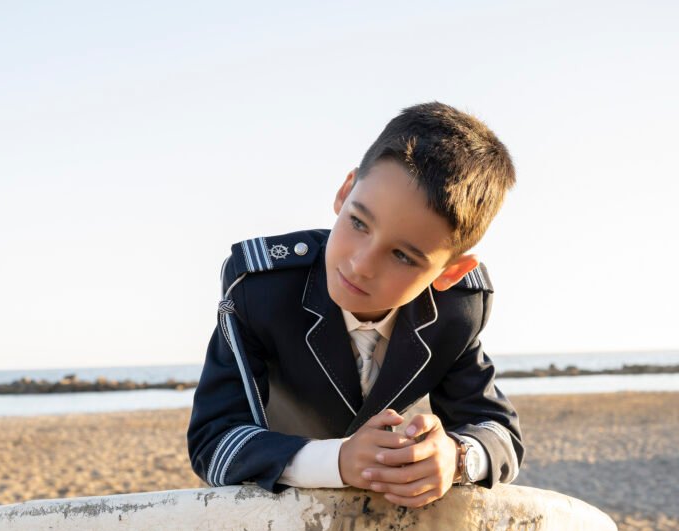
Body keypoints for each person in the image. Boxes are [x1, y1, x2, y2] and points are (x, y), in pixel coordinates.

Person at [187, 102, 523, 508]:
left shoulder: (456, 310)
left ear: (450, 273)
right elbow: (213, 444)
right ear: (345, 191)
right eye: (359, 223)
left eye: (403, 256)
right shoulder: (261, 290)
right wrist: (338, 460)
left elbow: (501, 434)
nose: (361, 265)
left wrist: (455, 457)